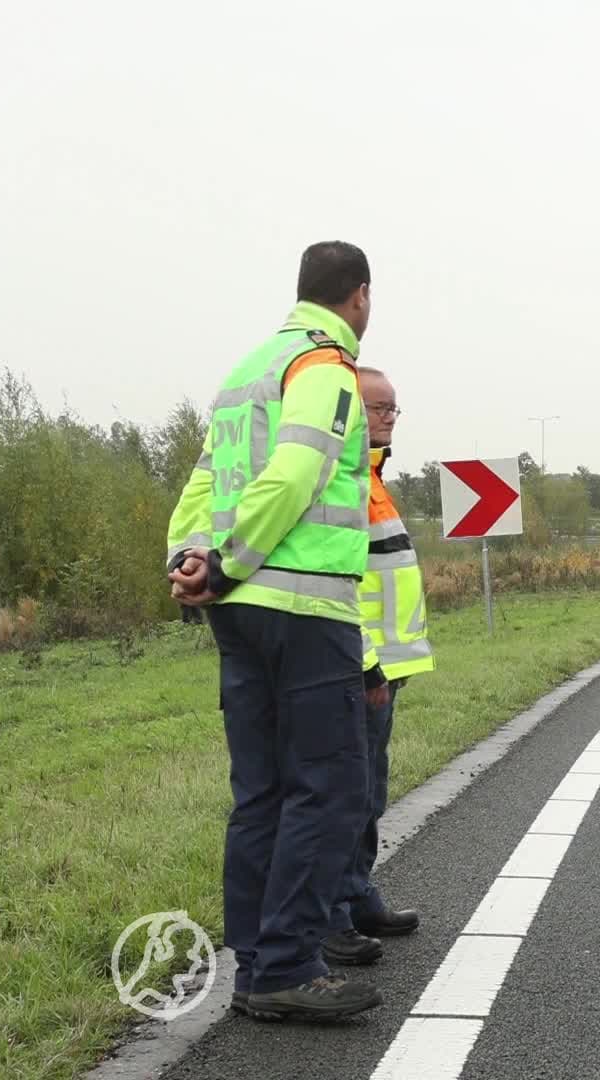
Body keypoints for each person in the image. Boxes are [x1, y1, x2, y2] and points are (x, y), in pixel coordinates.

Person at [165, 241, 385, 1022]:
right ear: (359, 296)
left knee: (259, 792)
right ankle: (289, 964)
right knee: (327, 785)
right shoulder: (324, 368)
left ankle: (258, 964)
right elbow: (296, 474)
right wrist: (224, 561)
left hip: (238, 611)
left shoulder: (246, 372)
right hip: (303, 606)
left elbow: (203, 481)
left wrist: (189, 560)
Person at [327, 366, 433, 958]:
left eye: (394, 408)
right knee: (346, 790)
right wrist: (367, 665)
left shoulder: (373, 479)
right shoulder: (344, 481)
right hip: (358, 665)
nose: (388, 417)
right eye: (377, 407)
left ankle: (358, 892)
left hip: (383, 666)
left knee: (370, 787)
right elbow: (340, 583)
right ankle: (334, 913)